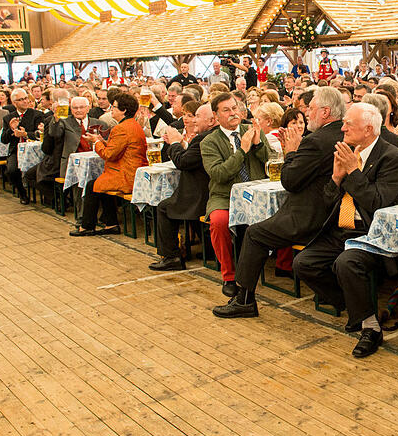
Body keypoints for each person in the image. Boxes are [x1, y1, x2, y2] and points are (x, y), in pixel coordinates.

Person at [213, 87, 344, 318]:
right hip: (332, 212)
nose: (307, 113)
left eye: (310, 109)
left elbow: (290, 181)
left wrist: (291, 152)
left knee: (254, 233)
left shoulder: (316, 141)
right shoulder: (342, 134)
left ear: (325, 112)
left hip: (311, 218)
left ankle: (244, 299)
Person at [291, 103, 398, 358]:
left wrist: (353, 172)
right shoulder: (346, 152)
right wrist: (335, 178)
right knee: (302, 264)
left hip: (372, 233)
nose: (342, 128)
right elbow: (328, 201)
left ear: (368, 129)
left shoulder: (391, 157)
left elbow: (379, 203)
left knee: (346, 263)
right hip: (341, 229)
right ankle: (359, 308)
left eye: (348, 124)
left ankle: (370, 327)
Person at [198, 93, 272, 292]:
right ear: (216, 116)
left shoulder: (252, 130)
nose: (233, 113)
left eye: (235, 108)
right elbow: (219, 174)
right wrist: (242, 151)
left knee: (282, 214)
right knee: (219, 222)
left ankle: (282, 267)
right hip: (224, 196)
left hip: (255, 193)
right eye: (226, 110)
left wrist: (257, 144)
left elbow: (269, 160)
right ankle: (229, 276)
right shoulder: (209, 142)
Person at [148, 104, 218, 271]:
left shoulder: (203, 138)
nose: (194, 120)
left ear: (210, 120)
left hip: (201, 195)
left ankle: (172, 256)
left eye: (197, 116)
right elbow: (192, 157)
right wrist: (180, 143)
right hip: (207, 193)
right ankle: (206, 250)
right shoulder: (213, 135)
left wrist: (174, 143)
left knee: (164, 207)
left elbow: (183, 163)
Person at [69, 93, 147, 236]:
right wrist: (100, 140)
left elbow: (109, 155)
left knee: (92, 185)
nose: (111, 109)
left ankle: (86, 226)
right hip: (131, 172)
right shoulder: (132, 124)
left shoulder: (121, 128)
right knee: (101, 182)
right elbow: (116, 148)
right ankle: (111, 224)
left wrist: (97, 142)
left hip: (126, 176)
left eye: (114, 107)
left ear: (123, 110)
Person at [0, 88, 43, 204]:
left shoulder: (37, 115)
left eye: (26, 98)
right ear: (14, 103)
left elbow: (40, 135)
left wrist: (25, 134)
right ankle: (22, 193)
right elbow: (3, 140)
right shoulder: (8, 118)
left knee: (39, 170)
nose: (25, 101)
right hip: (16, 150)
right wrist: (11, 129)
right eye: (21, 100)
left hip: (35, 151)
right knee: (11, 170)